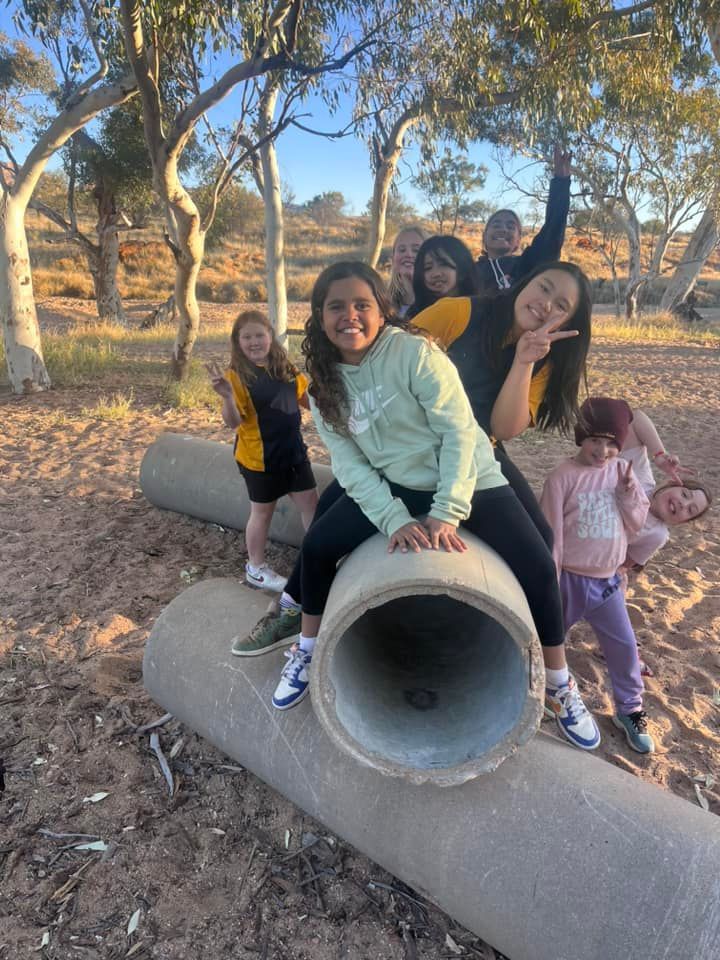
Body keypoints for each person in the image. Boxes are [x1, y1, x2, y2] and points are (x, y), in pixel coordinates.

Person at [235, 261, 600, 751]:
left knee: (536, 560)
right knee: (319, 544)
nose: (350, 316)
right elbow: (350, 465)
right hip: (396, 482)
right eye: (336, 306)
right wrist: (393, 519)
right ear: (319, 316)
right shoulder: (321, 384)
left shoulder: (415, 353)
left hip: (468, 474)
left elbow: (458, 432)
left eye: (362, 305)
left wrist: (448, 510)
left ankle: (558, 684)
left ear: (382, 311)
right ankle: (307, 648)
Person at [412, 261, 592, 549]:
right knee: (322, 536)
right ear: (525, 283)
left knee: (541, 539)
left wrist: (525, 361)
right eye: (543, 288)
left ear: (567, 323)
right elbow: (391, 360)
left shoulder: (545, 362)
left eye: (560, 306)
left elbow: (503, 428)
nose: (545, 304)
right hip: (412, 439)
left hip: (478, 451)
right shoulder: (457, 313)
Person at [539, 398, 654, 753]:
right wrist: (550, 580)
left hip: (608, 583)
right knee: (548, 638)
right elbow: (551, 533)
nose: (603, 451)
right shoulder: (562, 477)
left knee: (623, 647)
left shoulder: (622, 472)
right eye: (595, 440)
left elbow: (636, 525)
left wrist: (628, 495)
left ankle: (630, 709)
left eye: (612, 443)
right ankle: (537, 688)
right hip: (569, 579)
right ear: (581, 437)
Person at [206, 310, 318, 594]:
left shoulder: (286, 368)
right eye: (247, 337)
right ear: (237, 341)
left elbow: (306, 399)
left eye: (259, 335)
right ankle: (255, 568)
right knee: (262, 513)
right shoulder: (235, 378)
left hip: (293, 452)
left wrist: (330, 404)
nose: (254, 342)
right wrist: (228, 397)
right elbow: (233, 423)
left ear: (270, 336)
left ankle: (320, 555)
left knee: (310, 504)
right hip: (259, 459)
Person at [615, 405, 712, 569]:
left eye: (690, 510)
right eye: (685, 494)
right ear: (671, 483)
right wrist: (659, 455)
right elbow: (634, 418)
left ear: (682, 522)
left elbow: (622, 567)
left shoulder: (656, 535)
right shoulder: (640, 475)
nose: (683, 504)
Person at [477, 145, 571, 295]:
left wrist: (561, 183)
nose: (503, 229)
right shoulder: (467, 272)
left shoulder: (527, 265)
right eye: (496, 224)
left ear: (518, 241)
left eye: (511, 226)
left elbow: (552, 234)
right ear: (484, 236)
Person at [406, 235, 480, 319]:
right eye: (428, 268)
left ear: (462, 270)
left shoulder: (479, 311)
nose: (436, 274)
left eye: (444, 264)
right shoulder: (414, 315)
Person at [388, 225, 429, 318]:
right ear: (393, 258)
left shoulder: (440, 305)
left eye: (416, 250)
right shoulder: (382, 305)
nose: (408, 254)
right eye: (402, 250)